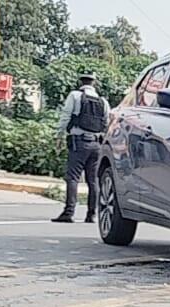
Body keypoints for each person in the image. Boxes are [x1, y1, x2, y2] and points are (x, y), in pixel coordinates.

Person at [54, 72, 110, 224]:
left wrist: (59, 135)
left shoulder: (75, 96)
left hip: (79, 142)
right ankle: (92, 214)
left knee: (73, 178)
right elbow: (107, 122)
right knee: (93, 180)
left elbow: (66, 116)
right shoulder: (103, 101)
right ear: (94, 83)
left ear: (80, 82)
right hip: (96, 144)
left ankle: (69, 212)